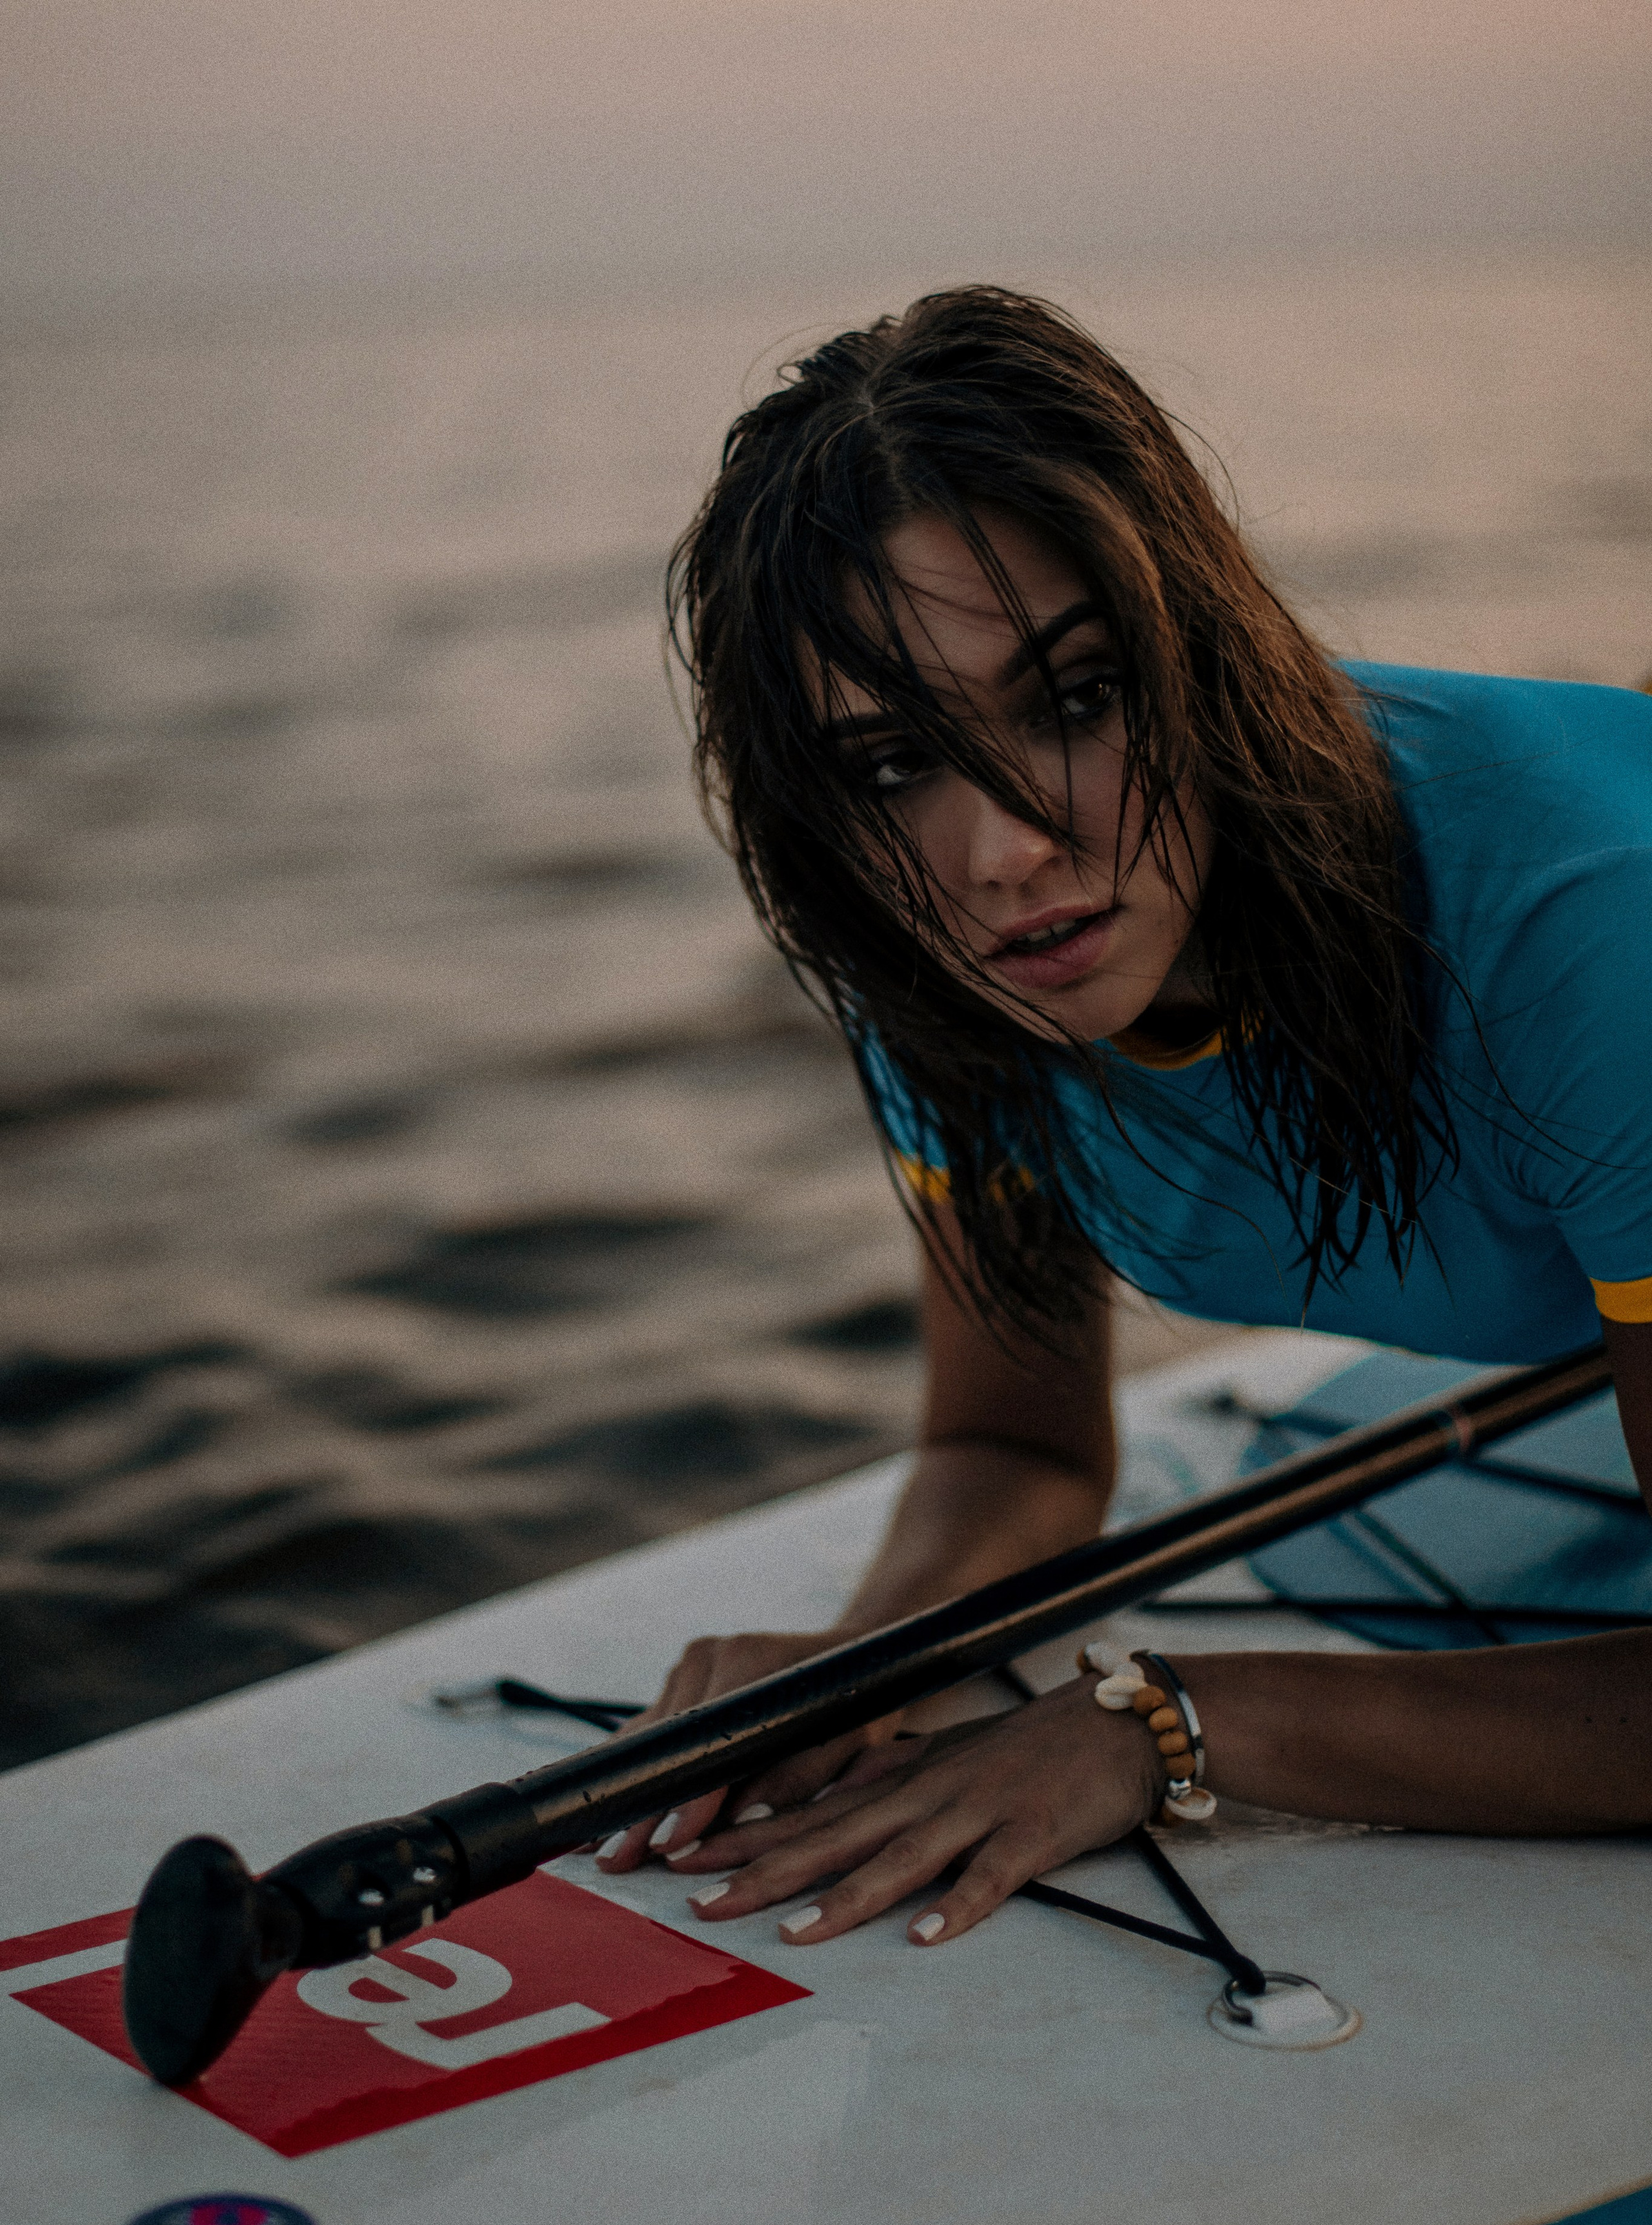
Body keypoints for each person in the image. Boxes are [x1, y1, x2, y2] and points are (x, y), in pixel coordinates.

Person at [594, 286, 1652, 1949]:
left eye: (1073, 695)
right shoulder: (938, 946)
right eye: (889, 767)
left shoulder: (1582, 925)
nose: (1000, 850)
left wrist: (1158, 1723)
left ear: (1198, 650)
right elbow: (1012, 1444)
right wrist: (872, 1664)